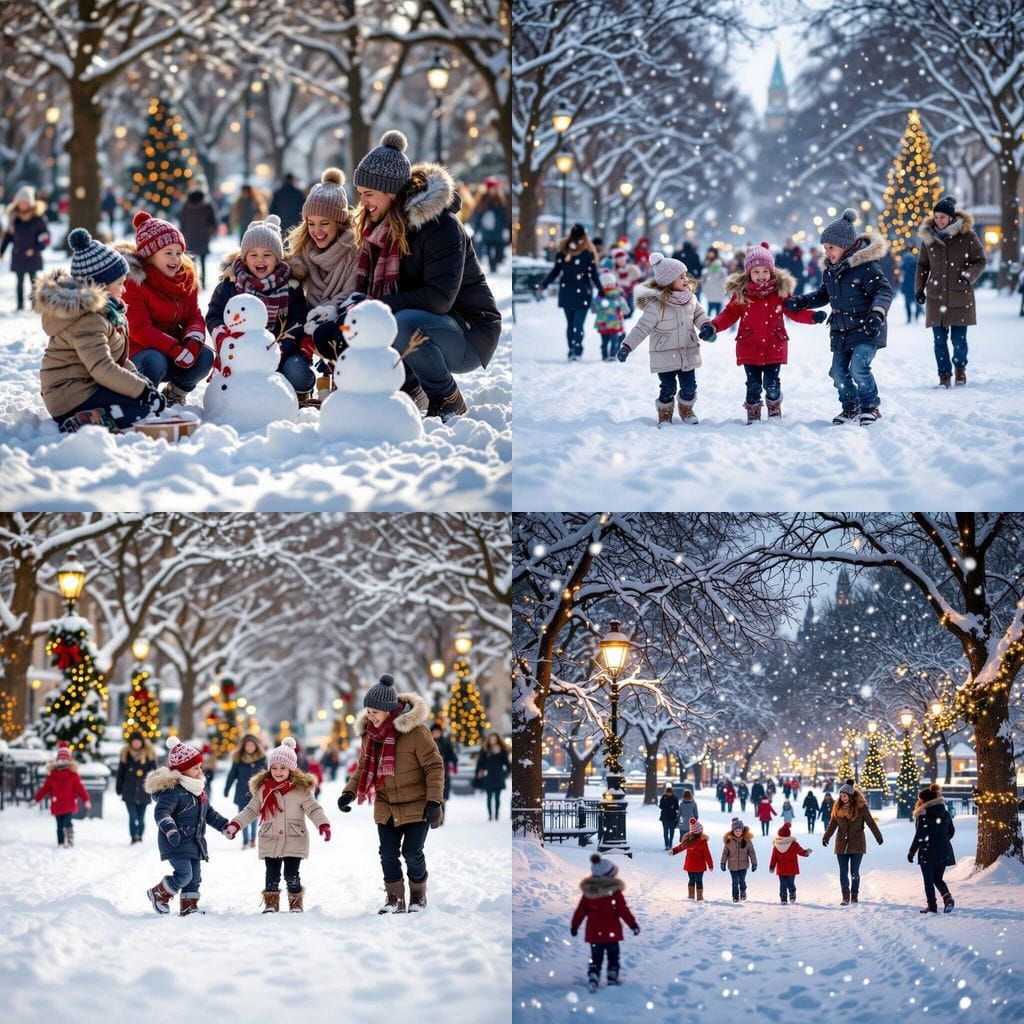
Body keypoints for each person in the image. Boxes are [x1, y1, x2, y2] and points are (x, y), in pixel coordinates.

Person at [352, 131, 501, 420]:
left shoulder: (441, 227)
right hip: (433, 323)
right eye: (360, 194)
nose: (363, 202)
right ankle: (407, 389)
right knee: (377, 320)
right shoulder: (384, 228)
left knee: (402, 322)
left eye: (368, 194)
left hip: (470, 331)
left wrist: (378, 306)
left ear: (391, 192)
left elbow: (438, 300)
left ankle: (448, 398)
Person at [35, 227, 162, 433]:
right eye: (120, 283)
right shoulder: (88, 320)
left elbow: (118, 360)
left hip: (86, 386)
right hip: (69, 396)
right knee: (140, 409)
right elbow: (103, 368)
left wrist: (141, 382)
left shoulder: (107, 314)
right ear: (101, 287)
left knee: (142, 403)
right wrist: (141, 391)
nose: (125, 289)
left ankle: (98, 415)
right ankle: (84, 421)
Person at [337, 674, 444, 913]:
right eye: (368, 710)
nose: (370, 715)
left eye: (374, 711)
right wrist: (348, 793)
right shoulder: (369, 735)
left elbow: (434, 766)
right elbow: (364, 767)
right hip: (386, 805)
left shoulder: (416, 732)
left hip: (417, 804)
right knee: (387, 854)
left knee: (412, 853)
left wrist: (434, 800)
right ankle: (394, 900)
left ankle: (418, 895)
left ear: (388, 710)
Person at [785, 208, 893, 425]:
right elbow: (824, 294)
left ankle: (870, 406)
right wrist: (802, 301)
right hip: (842, 330)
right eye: (825, 248)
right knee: (837, 373)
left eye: (831, 247)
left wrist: (877, 314)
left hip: (867, 327)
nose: (827, 252)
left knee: (859, 367)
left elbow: (884, 291)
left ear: (846, 245)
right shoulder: (831, 270)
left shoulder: (866, 267)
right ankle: (851, 406)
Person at [702, 241, 822, 423]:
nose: (761, 276)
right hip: (749, 345)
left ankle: (774, 408)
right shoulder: (742, 293)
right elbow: (729, 315)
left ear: (772, 271)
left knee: (772, 384)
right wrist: (713, 326)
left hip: (775, 344)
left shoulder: (780, 292)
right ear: (748, 272)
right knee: (753, 384)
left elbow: (794, 312)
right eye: (756, 271)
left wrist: (813, 317)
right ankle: (753, 412)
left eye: (765, 271)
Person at [206, 214, 311, 399]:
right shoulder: (230, 285)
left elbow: (297, 321)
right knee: (234, 389)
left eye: (267, 255)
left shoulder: (290, 287)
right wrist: (223, 337)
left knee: (298, 373)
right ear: (245, 257)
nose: (260, 260)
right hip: (240, 354)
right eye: (253, 255)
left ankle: (298, 394)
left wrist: (277, 350)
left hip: (279, 351)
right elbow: (214, 314)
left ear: (277, 258)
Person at [224, 736, 331, 913]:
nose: (278, 771)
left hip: (294, 838)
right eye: (274, 768)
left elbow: (313, 808)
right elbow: (250, 810)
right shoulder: (263, 789)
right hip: (270, 837)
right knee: (271, 875)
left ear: (291, 769)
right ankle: (271, 904)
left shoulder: (301, 790)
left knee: (291, 875)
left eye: (283, 768)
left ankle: (295, 902)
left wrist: (323, 824)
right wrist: (235, 824)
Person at [118, 210, 214, 406]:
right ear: (150, 255)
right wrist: (173, 348)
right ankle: (144, 396)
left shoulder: (184, 280)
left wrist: (192, 341)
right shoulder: (134, 283)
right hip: (141, 354)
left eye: (179, 253)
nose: (176, 259)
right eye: (168, 253)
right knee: (155, 360)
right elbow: (139, 328)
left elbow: (194, 316)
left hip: (176, 352)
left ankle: (175, 393)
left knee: (205, 356)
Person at [616, 252, 714, 427]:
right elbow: (642, 327)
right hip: (664, 354)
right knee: (668, 388)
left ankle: (686, 409)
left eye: (685, 275)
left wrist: (707, 326)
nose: (686, 280)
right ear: (668, 282)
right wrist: (627, 346)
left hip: (687, 351)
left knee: (690, 388)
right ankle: (665, 413)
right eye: (680, 277)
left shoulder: (691, 298)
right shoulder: (657, 304)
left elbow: (699, 314)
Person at [144, 737, 233, 916]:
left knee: (195, 877)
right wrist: (170, 829)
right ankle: (159, 893)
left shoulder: (198, 790)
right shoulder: (173, 791)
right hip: (175, 841)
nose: (200, 770)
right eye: (195, 768)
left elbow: (209, 813)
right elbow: (162, 812)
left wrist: (224, 826)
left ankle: (189, 906)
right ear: (181, 770)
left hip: (194, 841)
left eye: (200, 767)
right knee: (184, 874)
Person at [915, 195, 987, 387]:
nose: (939, 221)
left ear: (951, 218)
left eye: (943, 217)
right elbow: (922, 265)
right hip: (936, 296)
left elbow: (980, 260)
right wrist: (919, 288)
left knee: (958, 340)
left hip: (959, 294)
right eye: (936, 217)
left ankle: (960, 369)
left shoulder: (968, 236)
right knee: (939, 341)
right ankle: (944, 375)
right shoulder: (928, 237)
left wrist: (968, 276)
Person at [571, 853, 640, 992]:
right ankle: (612, 975)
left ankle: (594, 975)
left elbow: (580, 911)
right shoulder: (614, 893)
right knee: (613, 956)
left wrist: (575, 925)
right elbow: (623, 910)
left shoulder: (588, 893)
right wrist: (632, 924)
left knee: (596, 957)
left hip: (594, 933)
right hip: (611, 933)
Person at [537, 222, 603, 361]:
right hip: (567, 292)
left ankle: (577, 349)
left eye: (581, 238)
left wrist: (602, 290)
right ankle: (571, 349)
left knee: (578, 324)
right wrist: (543, 284)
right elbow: (556, 271)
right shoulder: (563, 252)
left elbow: (593, 275)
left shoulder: (588, 254)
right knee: (571, 324)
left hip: (583, 293)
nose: (579, 241)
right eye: (576, 238)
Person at [821, 779, 884, 906]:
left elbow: (870, 822)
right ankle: (845, 896)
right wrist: (826, 837)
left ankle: (854, 895)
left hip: (857, 843)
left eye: (845, 795)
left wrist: (878, 836)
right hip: (841, 844)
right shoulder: (837, 808)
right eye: (841, 796)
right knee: (843, 871)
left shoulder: (861, 808)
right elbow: (832, 825)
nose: (842, 798)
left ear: (850, 795)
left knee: (854, 872)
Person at [33, 741, 91, 847]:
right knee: (59, 825)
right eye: (60, 759)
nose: (62, 761)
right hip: (57, 804)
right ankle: (60, 842)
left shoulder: (73, 775)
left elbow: (80, 788)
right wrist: (36, 799)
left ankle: (69, 840)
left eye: (64, 759)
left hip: (69, 804)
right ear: (57, 760)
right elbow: (45, 789)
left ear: (68, 761)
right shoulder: (52, 775)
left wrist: (86, 800)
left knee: (67, 823)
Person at [908, 786, 956, 913]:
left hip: (928, 851)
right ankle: (947, 898)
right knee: (937, 878)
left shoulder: (923, 814)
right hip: (944, 850)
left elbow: (920, 836)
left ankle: (932, 906)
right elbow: (951, 831)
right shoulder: (945, 813)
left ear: (924, 800)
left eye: (920, 799)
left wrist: (912, 851)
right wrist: (942, 841)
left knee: (929, 881)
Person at [2, 185, 49, 310]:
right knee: (19, 281)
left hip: (33, 255)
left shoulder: (38, 219)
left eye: (26, 202)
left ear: (30, 203)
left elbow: (45, 238)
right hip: (18, 255)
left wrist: (36, 249)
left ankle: (35, 304)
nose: (23, 205)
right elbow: (8, 236)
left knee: (34, 281)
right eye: (21, 202)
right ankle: (20, 304)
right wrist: (2, 250)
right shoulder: (14, 219)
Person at [222, 733, 267, 849]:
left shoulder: (261, 760)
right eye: (248, 746)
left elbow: (266, 776)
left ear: (256, 746)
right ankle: (245, 840)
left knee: (254, 816)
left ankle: (252, 839)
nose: (250, 748)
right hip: (242, 792)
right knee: (243, 816)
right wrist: (226, 789)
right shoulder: (238, 760)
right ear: (244, 747)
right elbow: (232, 775)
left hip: (256, 793)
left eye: (252, 745)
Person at [116, 730, 157, 845]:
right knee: (132, 816)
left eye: (138, 742)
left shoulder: (149, 755)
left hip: (144, 792)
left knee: (140, 817)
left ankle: (140, 834)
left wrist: (154, 787)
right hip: (128, 791)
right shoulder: (126, 755)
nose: (136, 744)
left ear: (142, 742)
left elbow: (154, 773)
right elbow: (120, 773)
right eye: (134, 742)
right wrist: (118, 787)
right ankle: (134, 836)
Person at [178, 189, 219, 288]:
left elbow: (182, 221)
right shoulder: (207, 206)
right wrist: (211, 231)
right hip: (203, 236)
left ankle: (194, 281)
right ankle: (203, 282)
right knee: (203, 260)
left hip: (190, 236)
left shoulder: (186, 207)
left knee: (192, 261)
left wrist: (183, 233)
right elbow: (214, 220)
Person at [668, 817, 714, 901]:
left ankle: (691, 896)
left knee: (691, 880)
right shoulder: (703, 841)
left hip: (690, 865)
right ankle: (699, 897)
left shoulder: (688, 840)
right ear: (700, 831)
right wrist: (710, 865)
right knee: (699, 881)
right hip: (700, 866)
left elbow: (681, 847)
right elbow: (707, 854)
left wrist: (674, 851)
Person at [471, 177, 509, 273]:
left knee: (498, 249)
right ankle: (491, 266)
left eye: (493, 188)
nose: (492, 191)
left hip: (498, 230)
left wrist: (506, 228)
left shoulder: (500, 200)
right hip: (486, 230)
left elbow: (504, 216)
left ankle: (495, 264)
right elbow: (478, 215)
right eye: (490, 188)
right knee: (487, 249)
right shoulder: (483, 199)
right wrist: (476, 229)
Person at [769, 821, 811, 904]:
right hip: (792, 868)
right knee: (790, 883)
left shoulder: (776, 845)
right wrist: (805, 852)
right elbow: (800, 851)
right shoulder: (793, 844)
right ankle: (792, 893)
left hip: (781, 869)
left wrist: (772, 866)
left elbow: (773, 857)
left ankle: (783, 898)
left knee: (783, 884)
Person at [593, 268, 629, 361]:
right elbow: (594, 309)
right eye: (607, 284)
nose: (610, 285)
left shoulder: (616, 295)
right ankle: (605, 355)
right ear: (603, 285)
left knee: (614, 340)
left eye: (611, 283)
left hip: (613, 323)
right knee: (605, 341)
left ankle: (612, 355)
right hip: (605, 323)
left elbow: (623, 306)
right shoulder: (600, 296)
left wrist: (624, 308)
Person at [720, 817, 757, 903]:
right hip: (732, 866)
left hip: (743, 865)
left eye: (739, 831)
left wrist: (754, 863)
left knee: (741, 880)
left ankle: (743, 890)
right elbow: (725, 853)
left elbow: (752, 852)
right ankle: (735, 896)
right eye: (736, 831)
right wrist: (723, 862)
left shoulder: (747, 841)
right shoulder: (729, 841)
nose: (738, 833)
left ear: (742, 831)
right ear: (733, 831)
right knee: (734, 882)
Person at [476, 732, 510, 820]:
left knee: (497, 797)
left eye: (494, 739)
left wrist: (505, 773)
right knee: (489, 796)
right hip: (488, 775)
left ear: (497, 740)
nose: (492, 741)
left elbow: (507, 764)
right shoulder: (485, 750)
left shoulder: (502, 750)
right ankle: (490, 815)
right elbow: (480, 762)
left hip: (498, 776)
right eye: (491, 739)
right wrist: (480, 771)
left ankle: (497, 815)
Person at [430, 722, 458, 803]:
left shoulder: (446, 743)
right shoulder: (428, 743)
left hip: (443, 770)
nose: (436, 734)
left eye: (438, 732)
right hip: (431, 770)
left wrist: (454, 765)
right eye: (435, 732)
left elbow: (452, 756)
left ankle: (442, 814)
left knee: (442, 797)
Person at [701, 246, 728, 316]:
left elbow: (713, 277)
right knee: (714, 310)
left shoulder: (716, 264)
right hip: (713, 290)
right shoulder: (709, 262)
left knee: (714, 311)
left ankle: (713, 325)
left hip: (715, 289)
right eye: (709, 253)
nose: (710, 254)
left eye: (711, 253)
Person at [898, 249, 921, 324]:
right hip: (915, 287)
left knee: (907, 304)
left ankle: (909, 318)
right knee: (917, 303)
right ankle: (916, 316)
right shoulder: (916, 264)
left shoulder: (904, 266)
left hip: (907, 287)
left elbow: (901, 277)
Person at [659, 783, 680, 850]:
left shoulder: (675, 798)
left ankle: (670, 843)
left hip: (672, 817)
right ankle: (666, 844)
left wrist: (673, 807)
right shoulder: (663, 798)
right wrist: (667, 807)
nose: (669, 794)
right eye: (668, 793)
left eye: (670, 793)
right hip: (665, 817)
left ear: (672, 793)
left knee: (671, 831)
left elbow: (677, 807)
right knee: (665, 832)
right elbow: (660, 806)